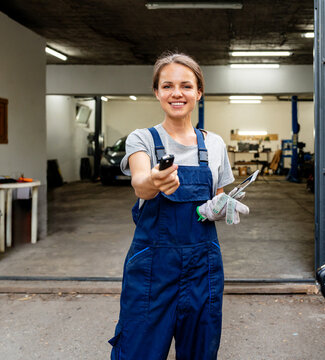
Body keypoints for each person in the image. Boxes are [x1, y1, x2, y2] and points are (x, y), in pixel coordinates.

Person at [108, 52, 249, 360]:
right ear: (157, 92)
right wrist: (155, 181)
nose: (177, 93)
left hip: (203, 267)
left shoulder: (214, 145)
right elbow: (141, 183)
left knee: (201, 349)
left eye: (186, 86)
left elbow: (217, 194)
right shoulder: (141, 139)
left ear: (198, 92)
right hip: (152, 270)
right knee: (138, 351)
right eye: (167, 85)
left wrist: (221, 206)